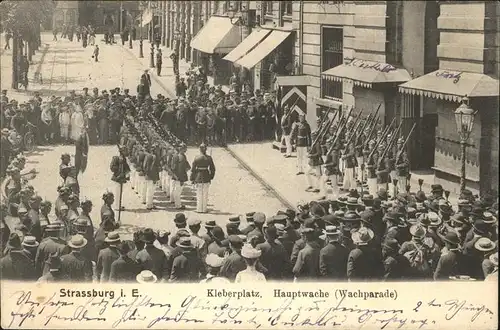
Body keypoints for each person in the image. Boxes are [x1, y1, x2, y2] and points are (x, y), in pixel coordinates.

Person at [190, 143, 216, 213]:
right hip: (206, 176)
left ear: (200, 149)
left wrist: (192, 178)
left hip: (198, 176)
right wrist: (211, 177)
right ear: (206, 149)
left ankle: (199, 209)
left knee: (199, 194)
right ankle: (204, 209)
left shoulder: (196, 157)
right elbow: (213, 169)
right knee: (205, 194)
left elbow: (193, 169)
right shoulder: (209, 158)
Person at [110, 145, 130, 211]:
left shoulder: (123, 159)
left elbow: (126, 167)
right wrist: (119, 171)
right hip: (117, 177)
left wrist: (126, 173)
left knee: (120, 192)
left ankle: (118, 205)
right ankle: (117, 207)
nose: (126, 152)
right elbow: (112, 167)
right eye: (125, 151)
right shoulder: (116, 158)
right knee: (117, 192)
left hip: (121, 177)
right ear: (121, 152)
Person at [170, 145, 190, 210]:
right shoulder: (179, 156)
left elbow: (187, 166)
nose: (186, 150)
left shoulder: (181, 156)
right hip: (178, 177)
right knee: (177, 192)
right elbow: (175, 168)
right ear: (181, 149)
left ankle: (177, 204)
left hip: (177, 177)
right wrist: (180, 179)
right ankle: (178, 205)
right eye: (185, 149)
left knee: (177, 192)